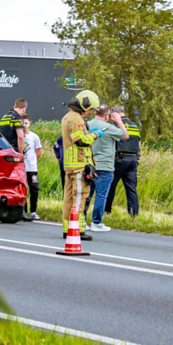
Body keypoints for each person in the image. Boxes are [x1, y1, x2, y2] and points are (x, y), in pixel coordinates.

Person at [60, 89, 103, 242]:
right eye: (90, 109)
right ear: (85, 105)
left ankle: (67, 229)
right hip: (79, 165)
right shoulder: (77, 119)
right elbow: (80, 141)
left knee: (68, 198)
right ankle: (77, 229)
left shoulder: (67, 117)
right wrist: (95, 135)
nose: (90, 112)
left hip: (70, 165)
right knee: (79, 198)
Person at [85, 105, 128, 232]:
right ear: (107, 116)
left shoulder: (87, 124)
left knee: (87, 194)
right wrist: (119, 121)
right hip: (105, 165)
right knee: (101, 195)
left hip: (89, 164)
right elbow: (125, 135)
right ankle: (96, 222)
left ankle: (82, 221)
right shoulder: (109, 127)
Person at [105, 106, 141, 217]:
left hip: (119, 160)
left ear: (114, 114)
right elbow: (138, 144)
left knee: (110, 186)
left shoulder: (115, 125)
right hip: (133, 160)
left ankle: (106, 211)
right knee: (131, 188)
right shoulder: (135, 125)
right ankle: (133, 214)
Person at [21, 116, 43, 221]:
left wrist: (33, 161)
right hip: (21, 168)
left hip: (32, 168)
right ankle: (23, 210)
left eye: (26, 123)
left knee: (34, 189)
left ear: (29, 123)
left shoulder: (34, 137)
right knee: (22, 189)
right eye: (22, 123)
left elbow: (38, 151)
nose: (24, 125)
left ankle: (33, 211)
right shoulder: (18, 136)